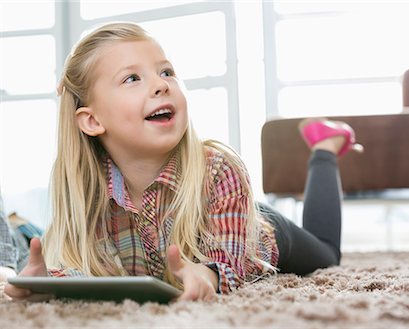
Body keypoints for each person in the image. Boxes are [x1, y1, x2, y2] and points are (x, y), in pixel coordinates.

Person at [5, 22, 363, 302]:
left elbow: (229, 265)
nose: (162, 86)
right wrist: (47, 281)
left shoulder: (221, 168)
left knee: (328, 254)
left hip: (254, 230)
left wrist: (207, 276)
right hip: (214, 216)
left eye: (166, 72)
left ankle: (324, 148)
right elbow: (93, 270)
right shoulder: (88, 188)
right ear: (92, 121)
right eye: (132, 78)